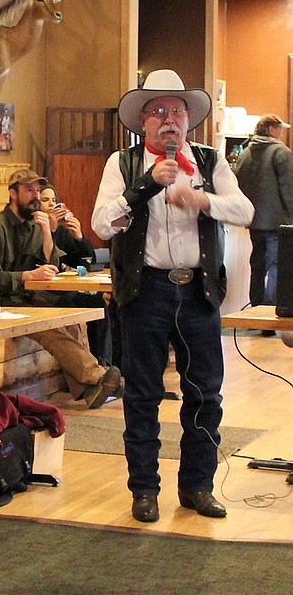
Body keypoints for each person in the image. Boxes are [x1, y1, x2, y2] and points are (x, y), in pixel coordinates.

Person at [91, 69, 254, 524]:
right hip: (145, 293)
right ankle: (144, 490)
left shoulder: (209, 161)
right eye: (159, 111)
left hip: (199, 292)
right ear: (142, 123)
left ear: (189, 120)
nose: (169, 120)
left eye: (177, 111)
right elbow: (102, 224)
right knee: (142, 396)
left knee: (206, 395)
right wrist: (146, 186)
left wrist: (203, 201)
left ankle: (197, 486)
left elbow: (244, 210)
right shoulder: (121, 165)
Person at [0, 168, 122, 409]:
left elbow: (52, 263)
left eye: (37, 190)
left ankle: (88, 390)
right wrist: (27, 275)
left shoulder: (32, 225)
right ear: (12, 194)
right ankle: (97, 377)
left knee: (66, 317)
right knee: (48, 326)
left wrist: (47, 232)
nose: (35, 196)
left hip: (21, 300)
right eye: (29, 190)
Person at [38, 183, 109, 363]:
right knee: (68, 302)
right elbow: (41, 258)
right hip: (43, 291)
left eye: (54, 200)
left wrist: (79, 237)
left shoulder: (62, 231)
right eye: (45, 200)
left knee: (97, 300)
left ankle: (103, 362)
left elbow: (85, 260)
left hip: (62, 286)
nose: (51, 205)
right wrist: (50, 231)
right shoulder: (33, 229)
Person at [232, 113, 293, 322]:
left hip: (253, 221)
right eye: (280, 129)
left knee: (257, 265)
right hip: (278, 222)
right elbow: (288, 189)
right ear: (271, 130)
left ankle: (254, 311)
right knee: (276, 266)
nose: (282, 133)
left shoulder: (245, 153)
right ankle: (270, 314)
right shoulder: (281, 152)